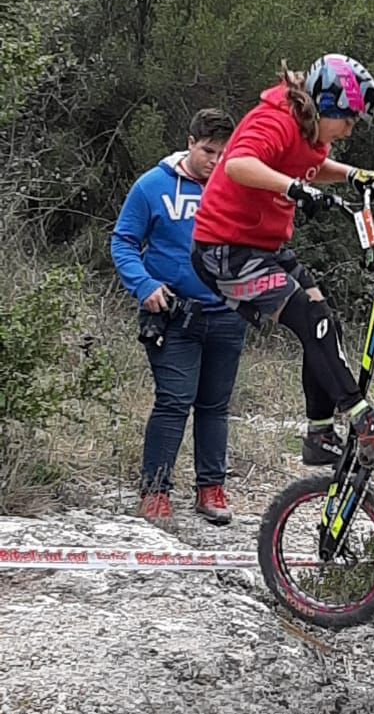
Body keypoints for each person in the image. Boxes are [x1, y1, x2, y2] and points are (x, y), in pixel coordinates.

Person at [192, 54, 374, 468]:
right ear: (327, 104)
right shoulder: (276, 120)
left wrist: (351, 174)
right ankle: (364, 421)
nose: (350, 130)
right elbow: (239, 164)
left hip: (261, 247)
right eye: (349, 120)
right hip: (225, 250)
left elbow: (309, 165)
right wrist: (294, 190)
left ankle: (319, 435)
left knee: (325, 320)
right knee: (310, 318)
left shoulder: (308, 131)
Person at [111, 109, 247, 527]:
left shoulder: (239, 188)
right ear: (190, 143)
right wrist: (144, 285)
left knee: (215, 406)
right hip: (173, 314)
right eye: (208, 151)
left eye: (223, 154)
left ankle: (211, 489)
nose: (214, 161)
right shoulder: (152, 186)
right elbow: (124, 242)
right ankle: (155, 492)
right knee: (174, 401)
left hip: (228, 314)